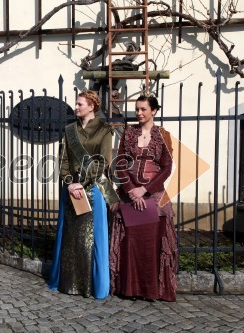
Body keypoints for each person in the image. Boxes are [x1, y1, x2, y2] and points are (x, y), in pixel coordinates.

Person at [48, 90, 118, 299]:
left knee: (92, 240)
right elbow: (63, 160)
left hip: (93, 188)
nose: (76, 107)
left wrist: (82, 183)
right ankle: (68, 283)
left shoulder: (105, 130)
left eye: (80, 104)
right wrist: (70, 183)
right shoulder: (69, 130)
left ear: (92, 106)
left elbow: (103, 162)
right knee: (70, 237)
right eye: (76, 104)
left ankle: (93, 286)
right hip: (71, 190)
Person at [109, 94, 177, 302]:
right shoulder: (128, 134)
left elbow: (167, 168)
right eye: (137, 109)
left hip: (153, 194)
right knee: (130, 241)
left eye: (143, 109)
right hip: (129, 193)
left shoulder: (163, 136)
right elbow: (120, 164)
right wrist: (131, 190)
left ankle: (152, 289)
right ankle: (129, 288)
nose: (138, 113)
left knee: (153, 241)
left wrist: (145, 190)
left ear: (154, 111)